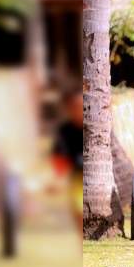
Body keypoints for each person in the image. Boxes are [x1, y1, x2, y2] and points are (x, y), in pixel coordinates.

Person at [52, 89, 83, 235]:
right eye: (74, 107)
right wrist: (58, 178)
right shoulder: (64, 131)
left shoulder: (93, 129)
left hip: (91, 177)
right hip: (75, 178)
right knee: (78, 210)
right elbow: (59, 158)